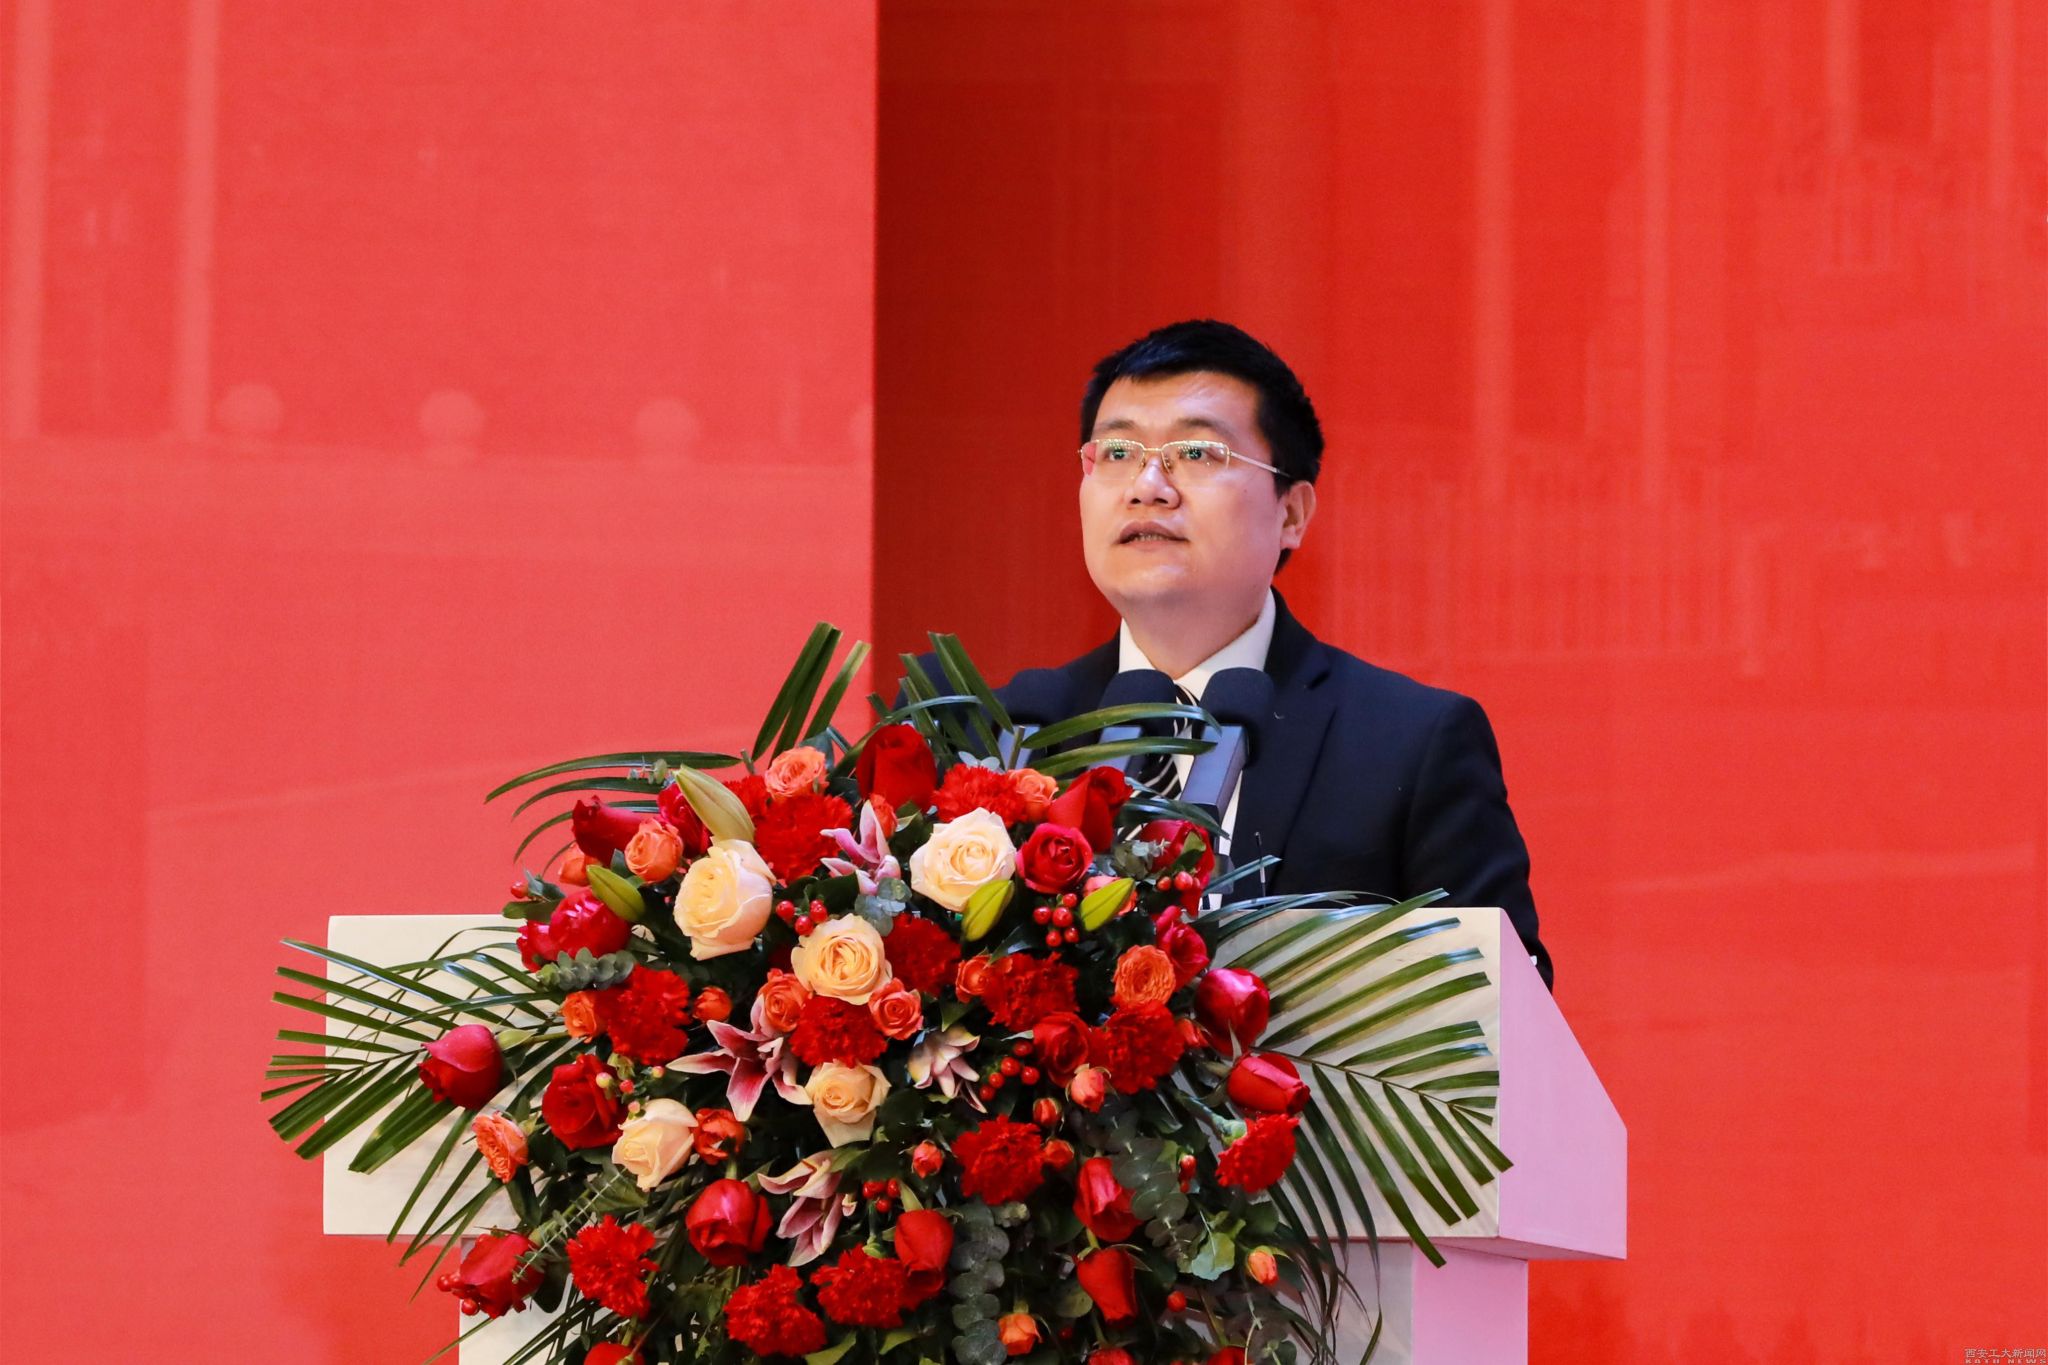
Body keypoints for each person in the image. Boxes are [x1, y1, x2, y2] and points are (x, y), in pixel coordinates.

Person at [901, 319, 1552, 989]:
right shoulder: (992, 735)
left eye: (1197, 453)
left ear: (1291, 513)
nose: (1148, 485)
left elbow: (1499, 1005)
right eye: (1117, 451)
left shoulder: (1409, 743)